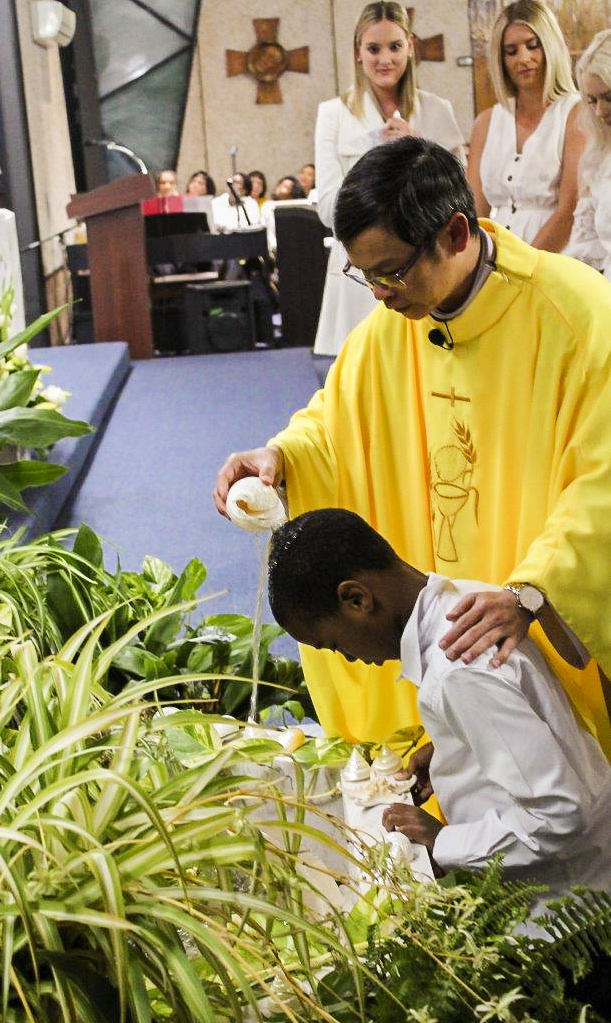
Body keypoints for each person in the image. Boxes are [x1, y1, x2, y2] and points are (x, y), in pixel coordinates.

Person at [214, 136, 611, 758]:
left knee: (559, 779)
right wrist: (283, 455)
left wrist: (532, 590)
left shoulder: (577, 316)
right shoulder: (397, 322)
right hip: (451, 612)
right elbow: (338, 421)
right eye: (363, 274)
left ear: (455, 233)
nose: (378, 292)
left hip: (522, 599)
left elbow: (604, 481)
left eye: (391, 271)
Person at [267, 507, 611, 926]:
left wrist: (443, 842)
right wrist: (454, 751)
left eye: (336, 645)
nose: (350, 658)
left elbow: (559, 814)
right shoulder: (464, 599)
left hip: (569, 918)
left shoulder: (456, 669)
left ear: (357, 598)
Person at [313, 1, 465, 357]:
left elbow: (461, 198)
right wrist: (377, 166)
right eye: (374, 48)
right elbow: (325, 208)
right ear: (358, 53)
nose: (385, 59)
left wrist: (418, 151)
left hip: (424, 267)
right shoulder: (333, 114)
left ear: (410, 47)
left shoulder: (437, 110)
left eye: (395, 47)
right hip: (359, 275)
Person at [467, 0, 585, 251]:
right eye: (511, 51)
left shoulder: (575, 114)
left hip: (555, 257)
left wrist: (524, 266)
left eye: (533, 46)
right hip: (493, 259)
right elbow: (474, 211)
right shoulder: (485, 123)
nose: (524, 58)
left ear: (550, 46)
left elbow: (569, 210)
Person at [564, 30, 611, 276]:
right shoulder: (598, 159)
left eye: (609, 98)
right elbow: (585, 248)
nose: (600, 112)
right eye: (592, 100)